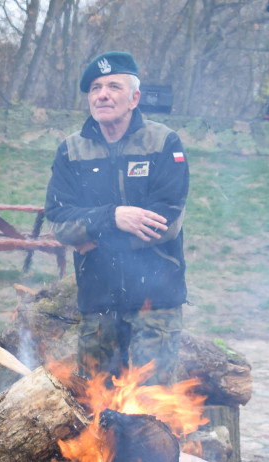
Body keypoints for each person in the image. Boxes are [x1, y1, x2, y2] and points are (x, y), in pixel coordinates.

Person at [45, 51, 189, 386]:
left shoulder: (164, 143)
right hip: (98, 305)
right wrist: (113, 217)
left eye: (113, 86)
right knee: (97, 416)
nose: (102, 94)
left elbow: (166, 223)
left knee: (150, 414)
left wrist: (95, 237)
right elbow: (58, 220)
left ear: (135, 97)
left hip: (156, 303)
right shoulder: (71, 150)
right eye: (95, 88)